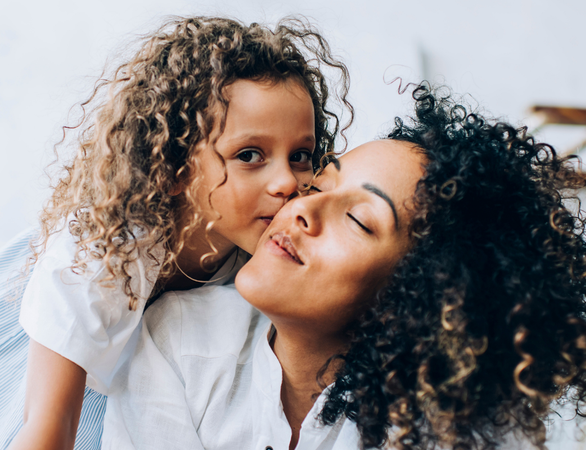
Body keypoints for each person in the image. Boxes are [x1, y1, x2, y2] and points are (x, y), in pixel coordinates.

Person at [0, 16, 351, 450]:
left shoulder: (264, 250)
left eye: (302, 155)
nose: (287, 181)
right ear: (175, 166)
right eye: (249, 155)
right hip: (52, 353)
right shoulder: (104, 249)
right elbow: (49, 425)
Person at [103, 84, 586, 450]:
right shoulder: (179, 336)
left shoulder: (459, 430)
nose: (299, 208)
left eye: (357, 218)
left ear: (418, 296)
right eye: (317, 185)